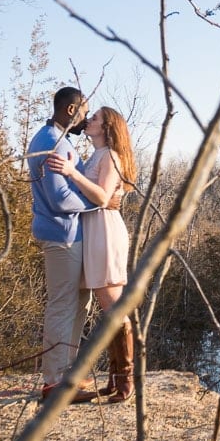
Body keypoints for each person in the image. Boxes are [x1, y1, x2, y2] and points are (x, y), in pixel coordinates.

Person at [47, 105, 137, 402]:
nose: (88, 120)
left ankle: (125, 381)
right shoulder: (98, 155)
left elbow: (100, 196)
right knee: (108, 307)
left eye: (95, 118)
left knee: (113, 308)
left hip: (105, 233)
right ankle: (115, 379)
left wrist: (72, 172)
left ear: (107, 127)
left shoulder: (111, 155)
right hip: (94, 231)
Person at [27, 87, 99, 403]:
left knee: (78, 305)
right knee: (61, 305)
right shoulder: (49, 142)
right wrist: (96, 203)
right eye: (84, 111)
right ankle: (53, 384)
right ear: (71, 110)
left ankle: (66, 375)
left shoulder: (62, 141)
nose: (86, 118)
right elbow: (59, 199)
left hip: (75, 236)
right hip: (61, 236)